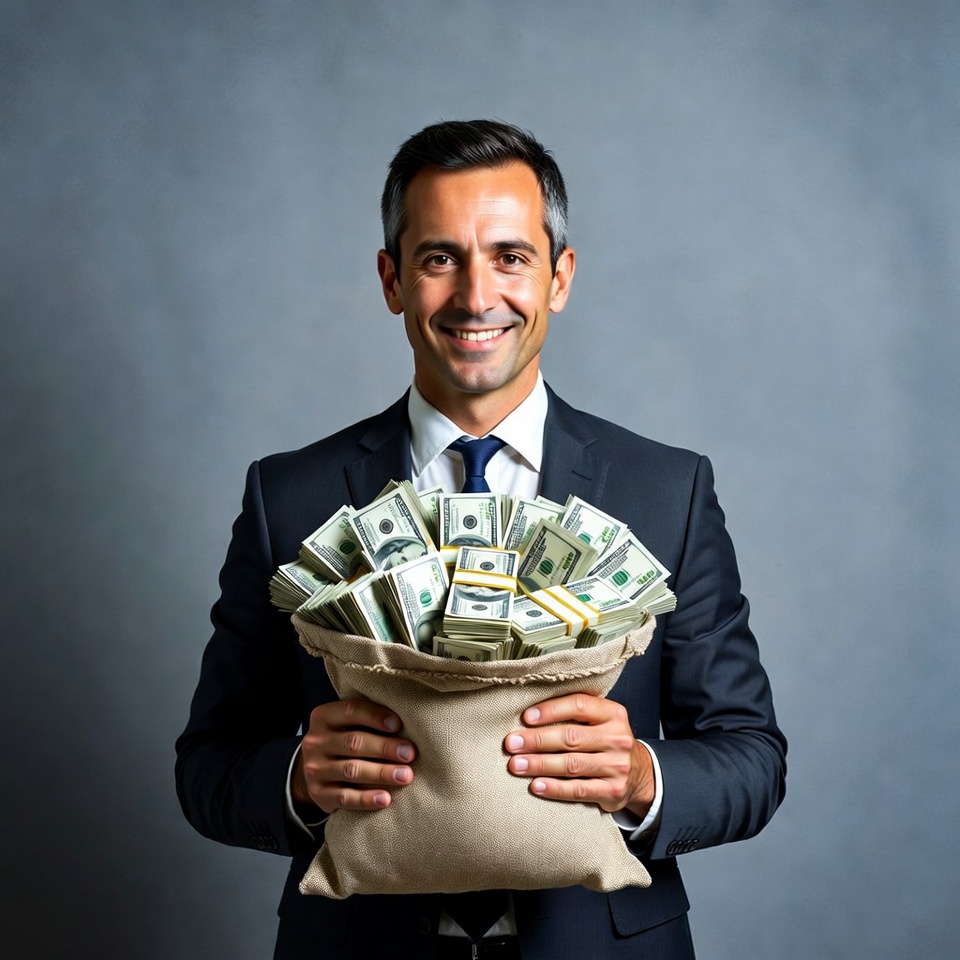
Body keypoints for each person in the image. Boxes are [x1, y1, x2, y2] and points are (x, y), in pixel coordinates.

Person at [176, 119, 787, 960]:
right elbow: (207, 768)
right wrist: (298, 781)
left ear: (559, 278)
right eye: (439, 258)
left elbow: (752, 757)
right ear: (391, 280)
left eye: (510, 257)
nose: (475, 296)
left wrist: (642, 778)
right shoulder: (290, 498)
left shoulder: (665, 492)